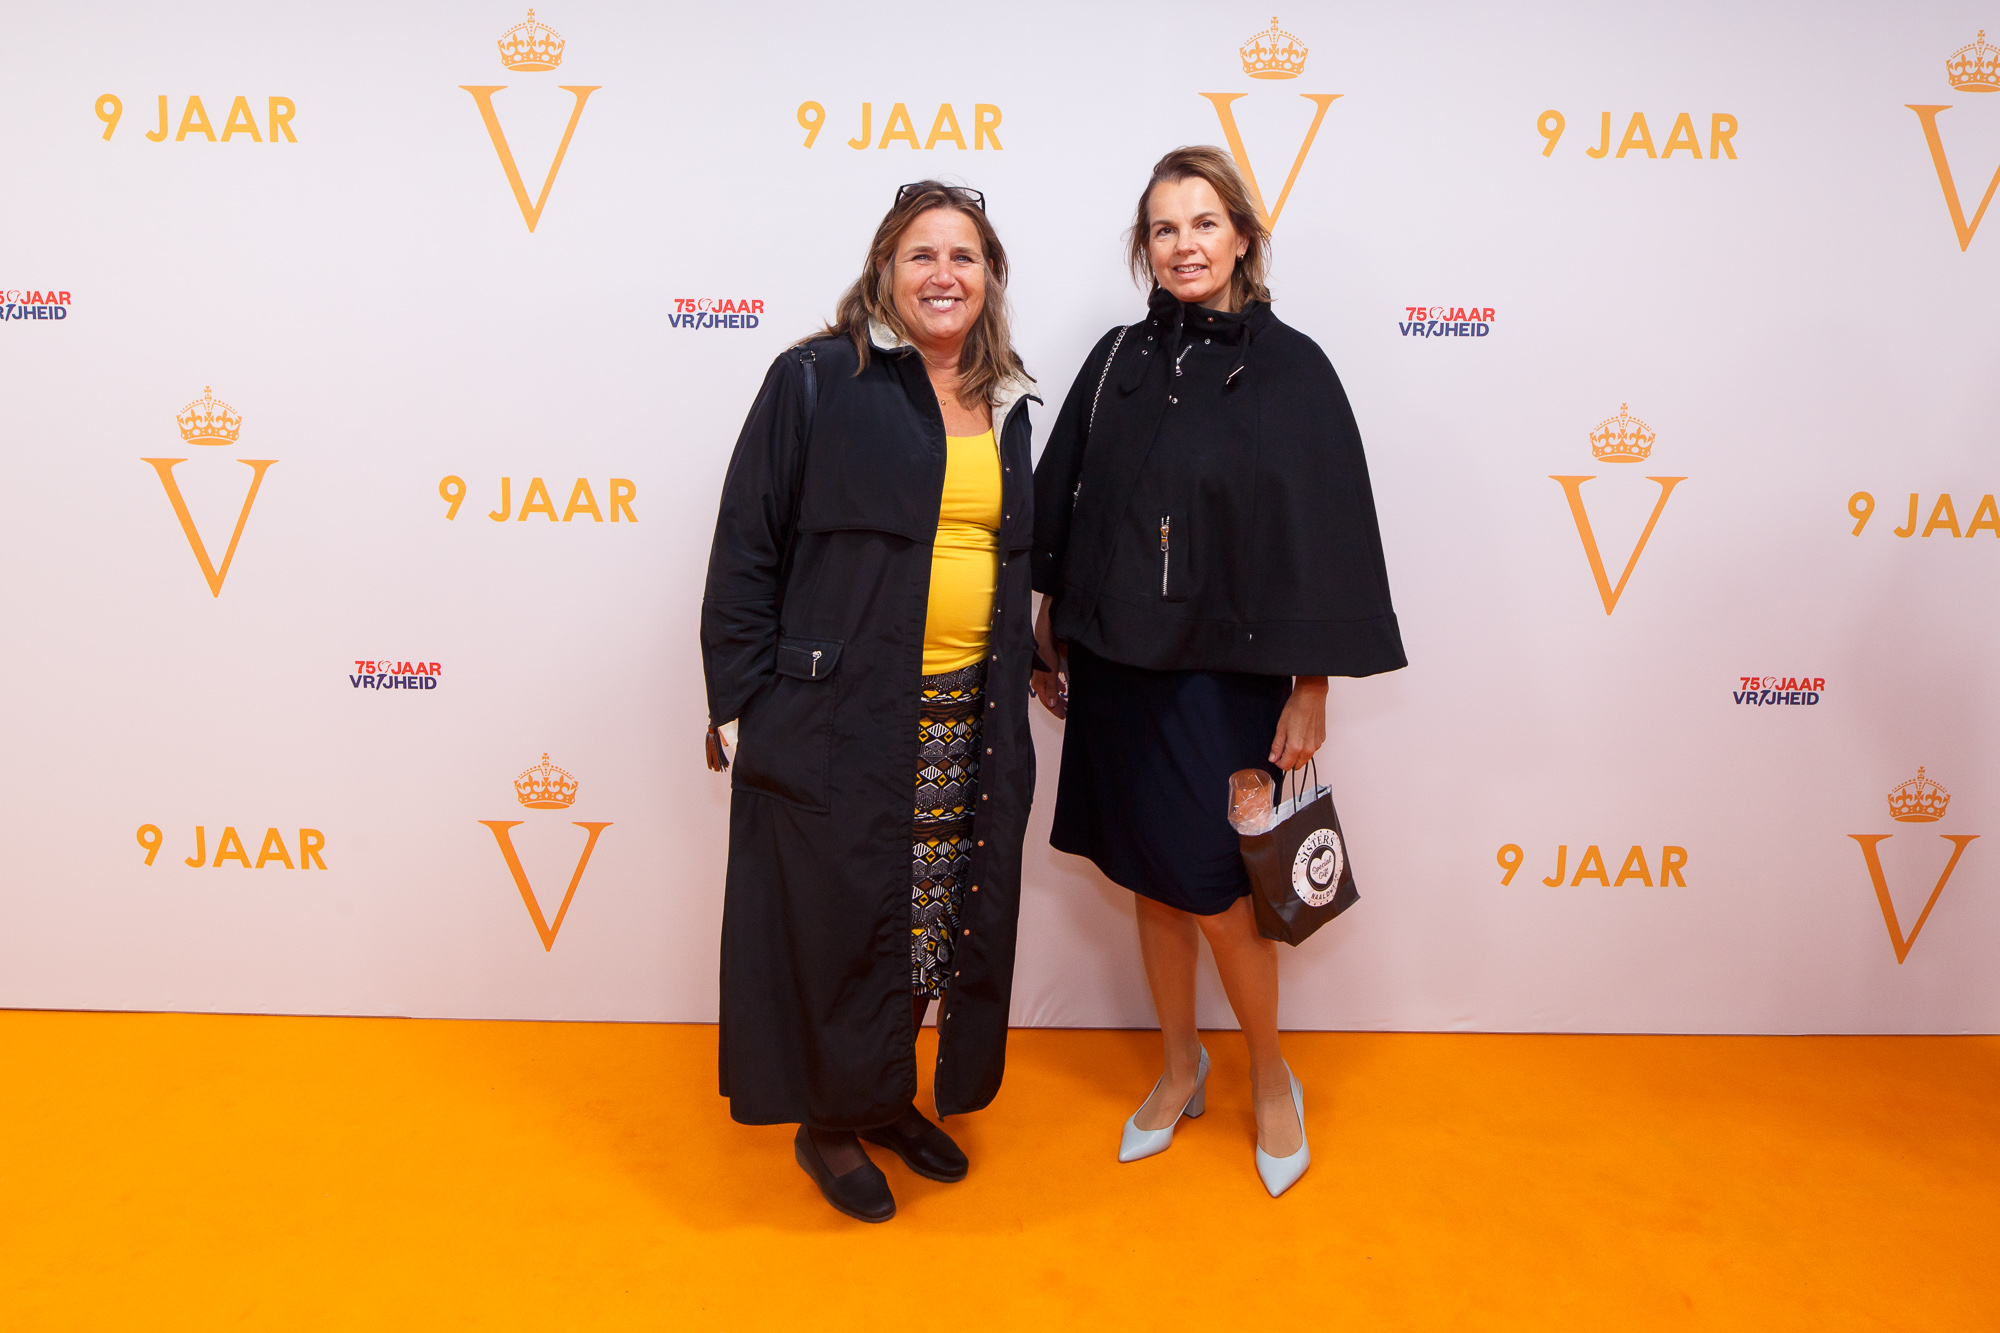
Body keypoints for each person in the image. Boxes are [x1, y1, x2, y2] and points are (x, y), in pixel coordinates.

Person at [1030, 147, 1404, 1197]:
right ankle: (1178, 1064)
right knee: (1152, 878)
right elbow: (1073, 498)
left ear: (1241, 235)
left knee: (1220, 890)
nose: (1184, 245)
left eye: (1203, 223)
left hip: (1224, 676)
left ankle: (1271, 1075)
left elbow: (1326, 531)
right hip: (1117, 665)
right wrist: (1052, 624)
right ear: (1143, 246)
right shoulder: (1115, 357)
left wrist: (1312, 683)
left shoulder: (1295, 369)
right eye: (1164, 228)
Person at [700, 181, 1037, 1223]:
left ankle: (884, 1092)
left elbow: (1014, 552)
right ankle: (829, 1122)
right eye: (921, 254)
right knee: (838, 919)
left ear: (989, 278)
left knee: (933, 917)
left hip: (967, 712)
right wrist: (741, 708)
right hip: (840, 711)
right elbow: (746, 544)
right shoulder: (816, 377)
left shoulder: (1008, 399)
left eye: (964, 256)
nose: (943, 274)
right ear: (884, 269)